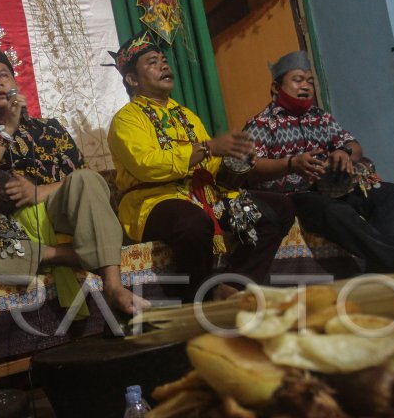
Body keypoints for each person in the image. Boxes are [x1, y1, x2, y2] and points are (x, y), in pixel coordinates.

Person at [0, 38, 147, 318]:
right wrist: (7, 130)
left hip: (56, 212)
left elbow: (83, 178)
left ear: (14, 81)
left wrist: (37, 193)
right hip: (5, 228)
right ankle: (63, 254)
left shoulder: (49, 129)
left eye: (4, 75)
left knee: (87, 180)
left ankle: (113, 286)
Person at [106, 32, 294, 302]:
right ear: (132, 80)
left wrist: (239, 160)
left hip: (205, 195)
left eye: (163, 60)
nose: (164, 65)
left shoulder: (186, 115)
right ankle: (199, 299)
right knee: (193, 222)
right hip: (153, 201)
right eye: (152, 62)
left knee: (280, 208)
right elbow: (147, 165)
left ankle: (230, 284)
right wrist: (207, 148)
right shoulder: (126, 120)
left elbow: (214, 167)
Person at [241, 51, 394, 274]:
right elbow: (250, 168)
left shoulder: (321, 118)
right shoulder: (262, 124)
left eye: (310, 81)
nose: (305, 86)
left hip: (332, 188)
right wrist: (291, 164)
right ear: (277, 88)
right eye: (297, 80)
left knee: (390, 194)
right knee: (333, 211)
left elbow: (353, 144)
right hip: (295, 196)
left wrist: (344, 153)